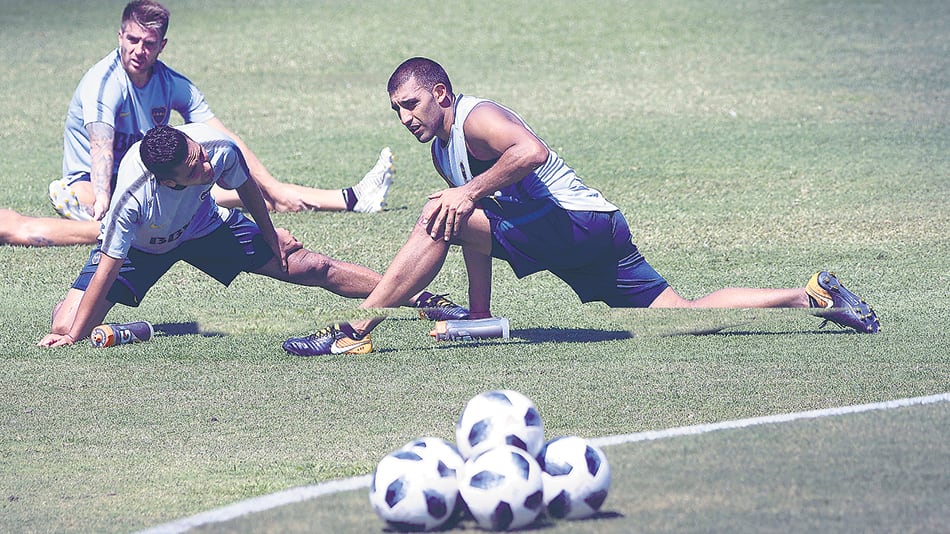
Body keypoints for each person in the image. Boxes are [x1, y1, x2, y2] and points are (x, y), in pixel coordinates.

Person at [281, 57, 879, 356]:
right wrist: (478, 318)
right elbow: (477, 235)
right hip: (595, 231)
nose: (408, 117)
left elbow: (532, 152)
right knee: (681, 314)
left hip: (576, 223)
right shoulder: (443, 151)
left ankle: (356, 330)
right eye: (397, 111)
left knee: (442, 211)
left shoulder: (476, 119)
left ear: (440, 92)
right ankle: (810, 296)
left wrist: (467, 192)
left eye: (413, 104)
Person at [38, 124, 465, 348]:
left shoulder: (213, 147)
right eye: (194, 171)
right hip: (141, 247)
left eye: (200, 157)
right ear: (166, 182)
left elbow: (246, 187)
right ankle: (127, 328)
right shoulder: (131, 201)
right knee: (67, 321)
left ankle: (420, 300)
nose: (207, 168)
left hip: (205, 225)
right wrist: (73, 336)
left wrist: (271, 234)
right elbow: (106, 270)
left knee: (310, 265)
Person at [49, 0, 392, 224]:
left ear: (162, 45)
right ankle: (96, 217)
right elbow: (100, 149)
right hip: (93, 183)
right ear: (120, 34)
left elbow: (222, 135)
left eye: (149, 43)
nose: (139, 49)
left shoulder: (171, 83)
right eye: (132, 39)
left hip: (151, 180)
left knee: (252, 193)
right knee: (89, 198)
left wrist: (271, 186)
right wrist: (102, 203)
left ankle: (352, 198)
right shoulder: (103, 83)